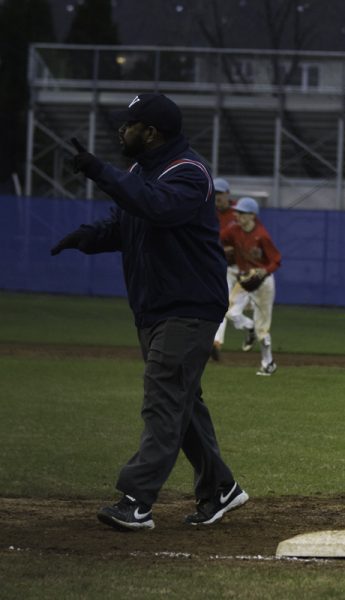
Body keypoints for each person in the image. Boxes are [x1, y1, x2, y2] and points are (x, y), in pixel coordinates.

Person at [50, 92, 249, 531]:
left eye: (130, 124)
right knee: (182, 402)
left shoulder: (189, 173)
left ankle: (136, 500)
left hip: (189, 306)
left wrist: (99, 171)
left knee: (162, 397)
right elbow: (127, 222)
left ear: (152, 132)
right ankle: (220, 488)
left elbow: (155, 207)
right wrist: (86, 236)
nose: (122, 130)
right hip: (156, 306)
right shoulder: (144, 171)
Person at [219, 196, 281, 376]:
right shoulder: (234, 230)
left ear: (252, 215)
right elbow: (217, 240)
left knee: (263, 329)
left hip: (263, 284)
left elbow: (276, 260)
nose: (237, 215)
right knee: (230, 312)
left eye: (241, 213)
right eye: (237, 212)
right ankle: (249, 327)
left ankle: (268, 363)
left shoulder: (262, 235)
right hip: (245, 279)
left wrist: (265, 270)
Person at [211, 177, 238, 361]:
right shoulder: (207, 212)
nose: (217, 197)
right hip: (223, 267)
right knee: (223, 304)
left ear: (227, 194)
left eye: (220, 193)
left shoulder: (240, 211)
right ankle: (215, 342)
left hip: (244, 269)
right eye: (215, 194)